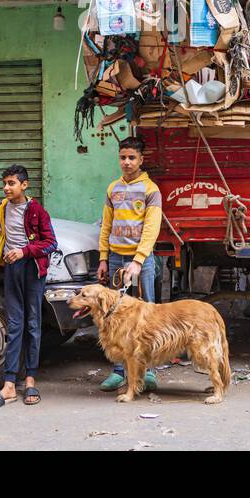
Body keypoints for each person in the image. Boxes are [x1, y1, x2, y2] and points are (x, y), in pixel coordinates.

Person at [96, 136, 163, 394]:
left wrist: (137, 260)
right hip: (115, 259)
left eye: (131, 157)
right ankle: (119, 371)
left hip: (141, 262)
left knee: (146, 318)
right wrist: (103, 258)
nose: (126, 162)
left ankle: (148, 371)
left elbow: (151, 228)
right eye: (123, 157)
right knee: (116, 317)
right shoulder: (113, 189)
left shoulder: (151, 190)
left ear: (141, 160)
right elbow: (106, 226)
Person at [0, 164, 56, 410]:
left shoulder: (37, 210)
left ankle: (30, 379)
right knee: (14, 325)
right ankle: (9, 384)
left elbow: (50, 243)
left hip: (32, 270)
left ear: (24, 185)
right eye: (4, 183)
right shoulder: (4, 207)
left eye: (11, 183)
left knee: (32, 324)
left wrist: (24, 251)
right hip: (11, 270)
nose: (6, 188)